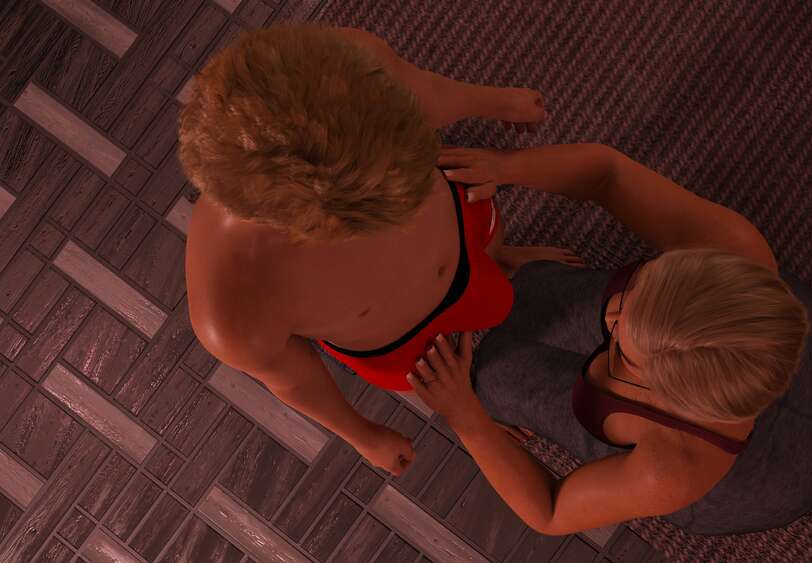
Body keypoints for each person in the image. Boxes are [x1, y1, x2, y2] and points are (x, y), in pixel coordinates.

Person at [407, 143, 812, 535]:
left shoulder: (674, 470)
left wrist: (466, 417)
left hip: (738, 476)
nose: (612, 313)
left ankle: (806, 451)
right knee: (539, 292)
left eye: (626, 355)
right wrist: (507, 166)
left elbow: (550, 512)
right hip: (761, 350)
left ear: (671, 401)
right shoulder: (736, 247)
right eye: (640, 287)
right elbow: (607, 174)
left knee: (493, 383)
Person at [179, 24, 581, 478]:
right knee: (444, 381)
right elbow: (292, 377)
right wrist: (362, 435)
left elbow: (427, 93)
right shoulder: (232, 309)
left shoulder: (351, 63)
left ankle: (503, 257)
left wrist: (498, 102)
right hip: (402, 348)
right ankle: (469, 392)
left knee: (491, 241)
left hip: (464, 233)